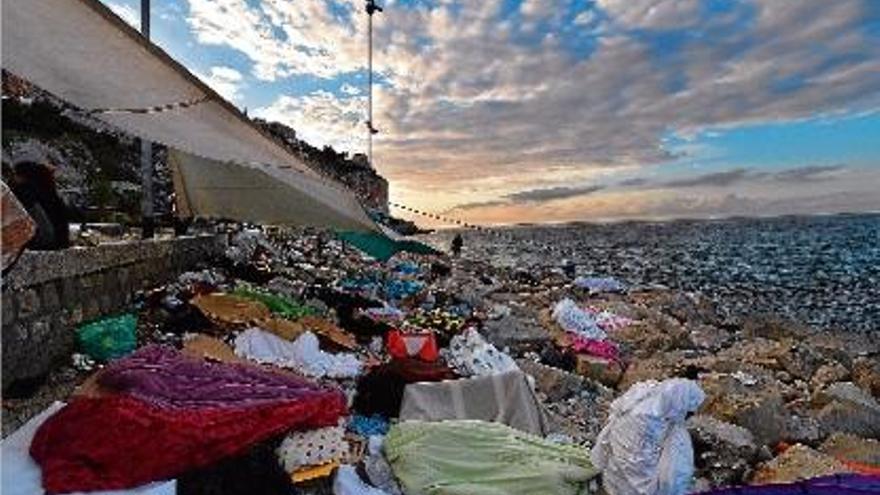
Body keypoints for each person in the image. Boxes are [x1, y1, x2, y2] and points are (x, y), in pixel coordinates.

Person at [7, 160, 70, 250]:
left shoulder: (24, 191)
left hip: (44, 241)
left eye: (15, 174)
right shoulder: (48, 191)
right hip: (59, 241)